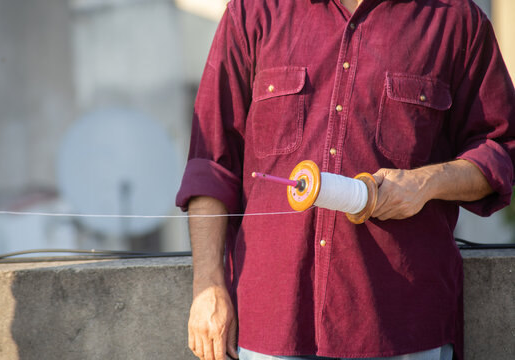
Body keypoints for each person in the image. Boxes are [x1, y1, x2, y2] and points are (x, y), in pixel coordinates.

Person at [176, 0, 515, 359]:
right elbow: (211, 163)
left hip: (399, 327)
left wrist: (425, 183)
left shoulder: (455, 20)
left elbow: (500, 149)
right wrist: (208, 285)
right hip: (271, 327)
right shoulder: (253, 12)